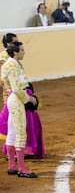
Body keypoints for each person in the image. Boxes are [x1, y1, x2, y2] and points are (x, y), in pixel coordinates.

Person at [1, 41, 38, 177]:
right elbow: (17, 88)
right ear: (15, 52)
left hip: (14, 99)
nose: (24, 52)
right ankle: (22, 168)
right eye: (22, 50)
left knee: (12, 133)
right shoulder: (12, 66)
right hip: (17, 101)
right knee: (20, 134)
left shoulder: (13, 64)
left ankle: (12, 166)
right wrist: (29, 99)